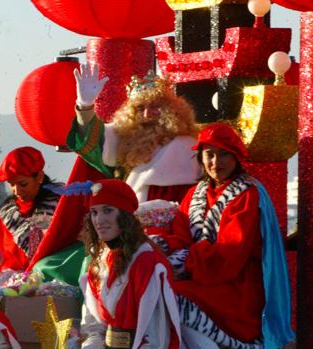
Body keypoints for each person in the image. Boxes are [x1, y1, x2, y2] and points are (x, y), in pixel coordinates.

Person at [154, 123, 294, 349]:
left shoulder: (247, 194)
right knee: (155, 290)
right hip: (203, 278)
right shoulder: (194, 193)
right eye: (209, 155)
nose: (215, 163)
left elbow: (229, 257)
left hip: (237, 289)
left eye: (224, 155)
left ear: (236, 157)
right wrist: (155, 248)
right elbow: (180, 237)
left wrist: (183, 265)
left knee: (169, 295)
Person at [67, 63, 200, 203]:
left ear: (171, 109)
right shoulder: (124, 138)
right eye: (140, 108)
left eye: (155, 106)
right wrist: (85, 106)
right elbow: (94, 138)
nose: (147, 114)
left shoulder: (184, 145)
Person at [79, 179, 181, 349]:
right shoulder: (98, 262)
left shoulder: (147, 260)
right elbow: (93, 324)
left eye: (108, 210)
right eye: (94, 212)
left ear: (125, 215)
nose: (99, 220)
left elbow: (156, 334)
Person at [0, 146, 62, 274]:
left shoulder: (61, 205)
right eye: (11, 184)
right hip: (13, 286)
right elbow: (1, 256)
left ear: (39, 177)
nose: (16, 191)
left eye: (23, 184)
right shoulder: (8, 213)